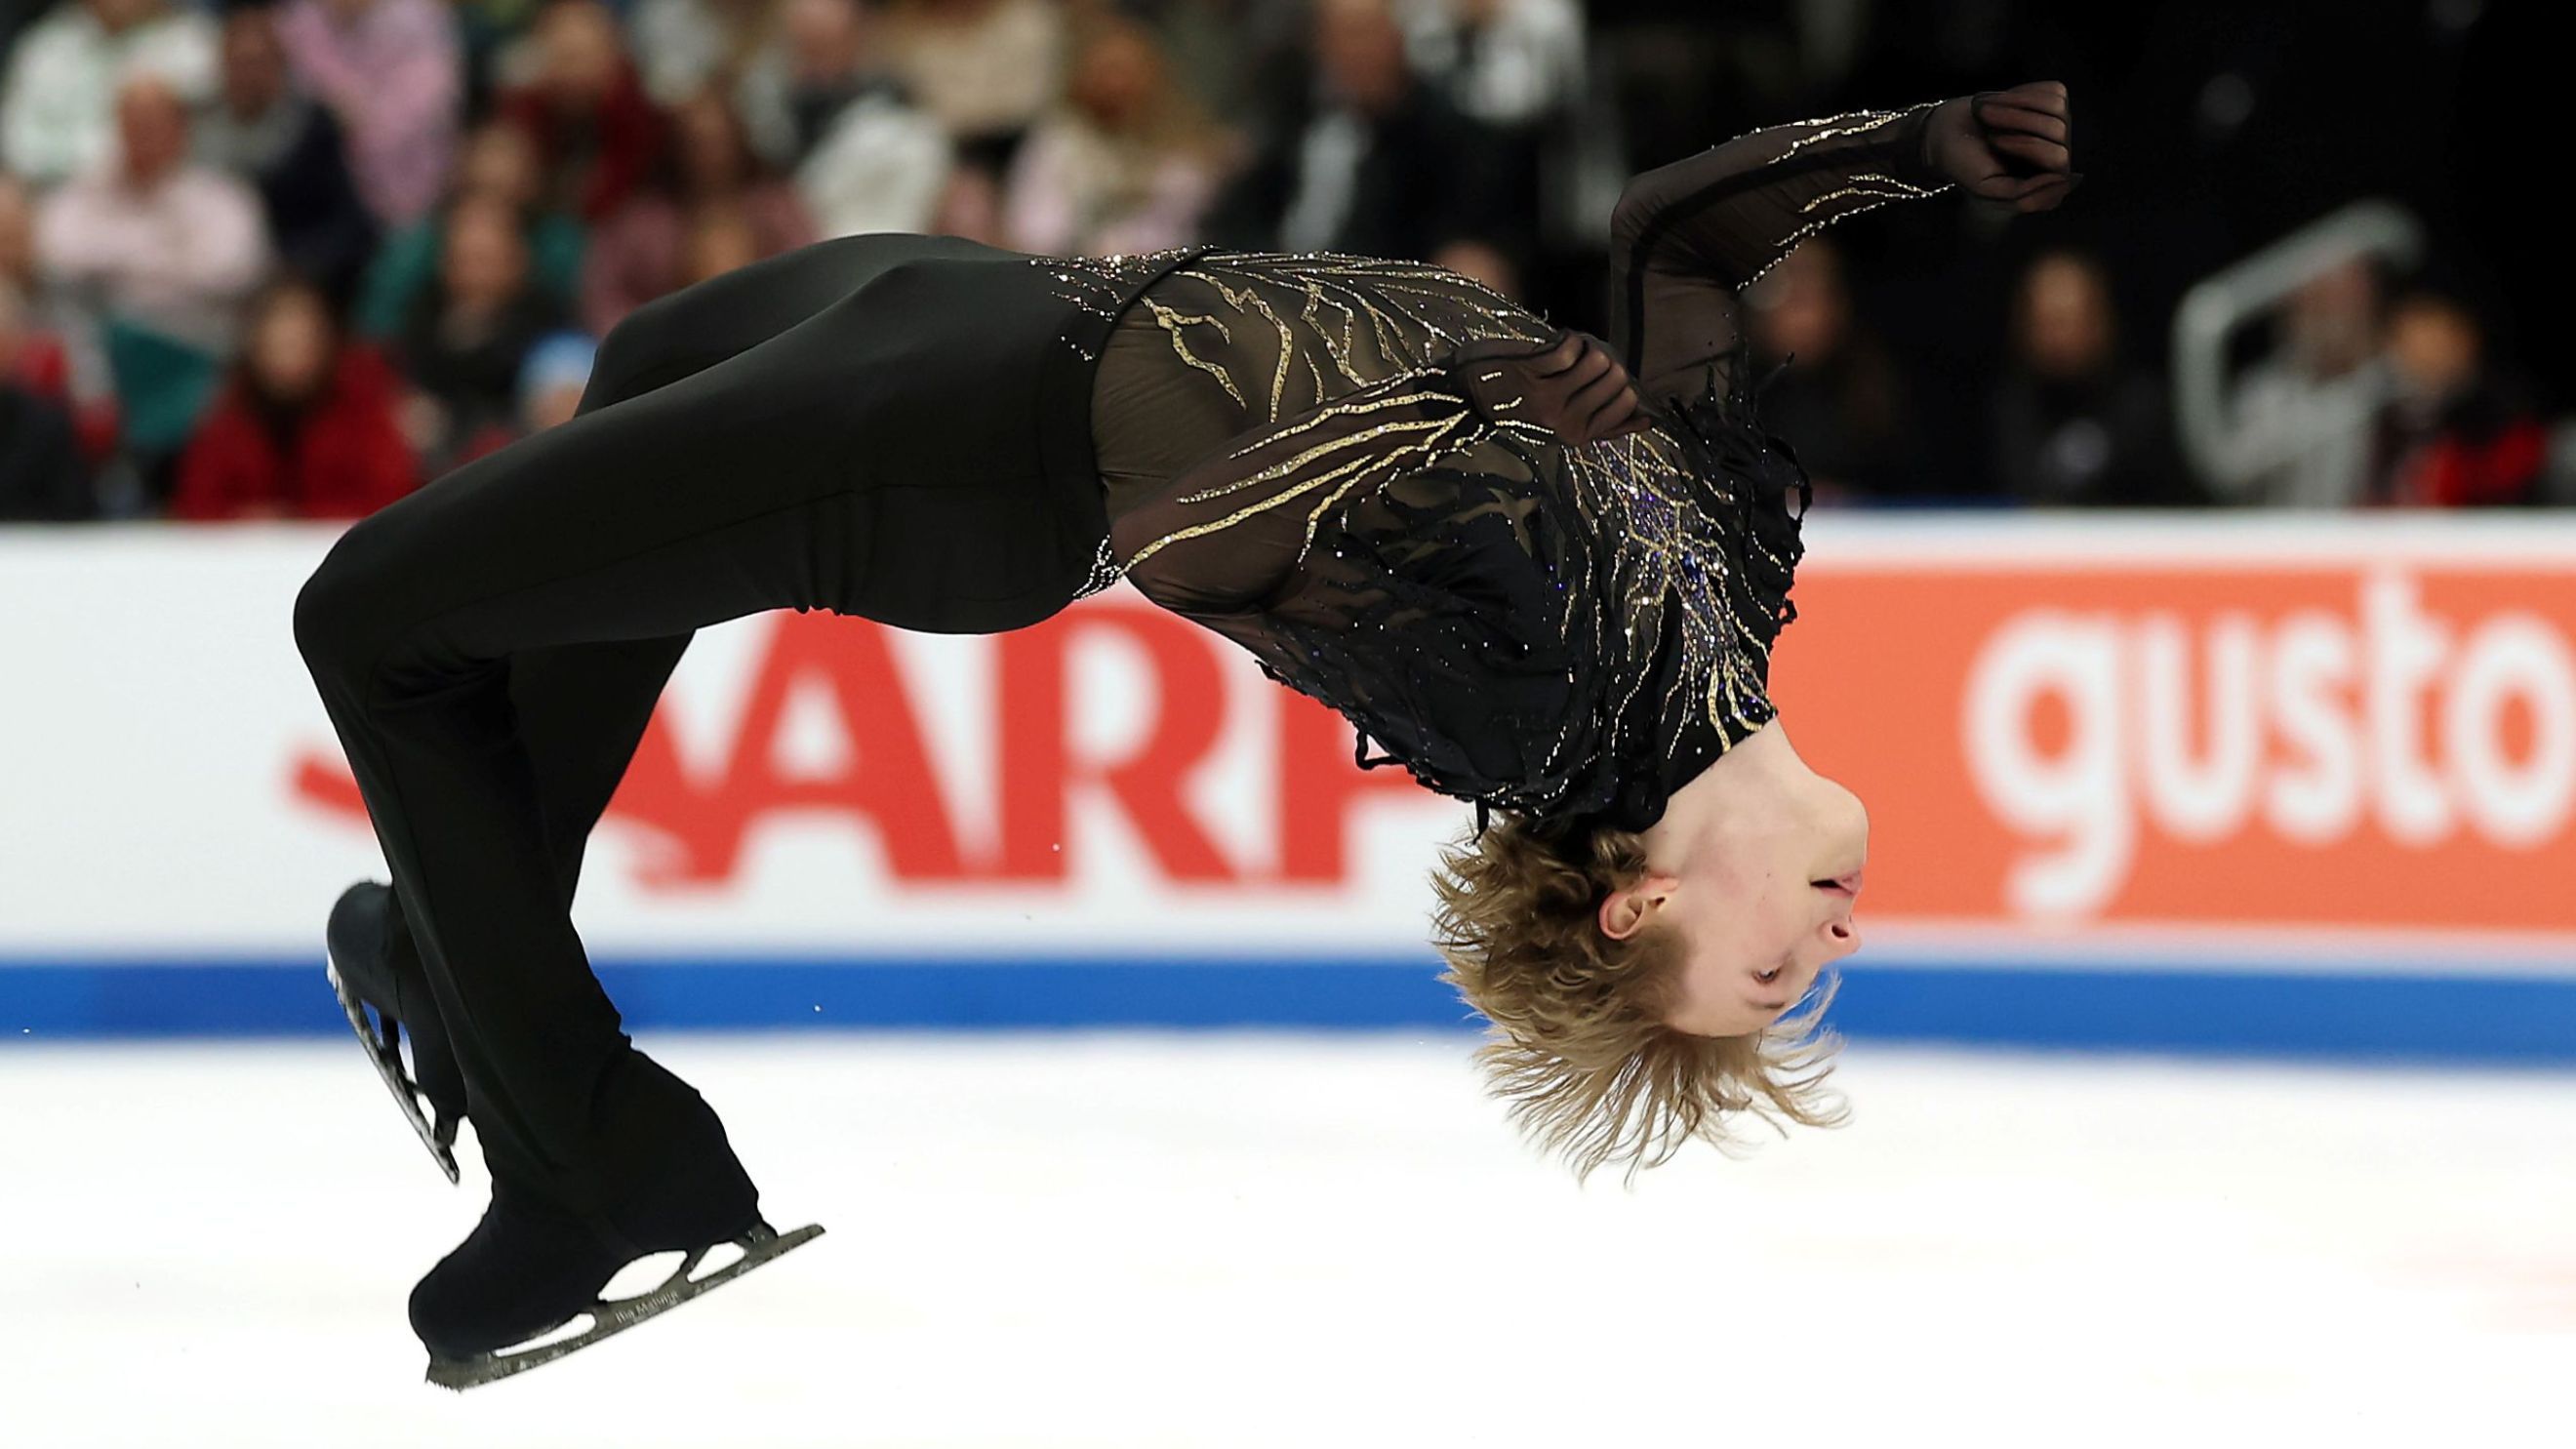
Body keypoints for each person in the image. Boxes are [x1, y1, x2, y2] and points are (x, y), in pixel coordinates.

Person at [294, 82, 2077, 1387]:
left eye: (1777, 980)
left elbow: (1194, 539)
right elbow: (1677, 239)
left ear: (1644, 907)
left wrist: (1453, 404)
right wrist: (1914, 153)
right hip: (1006, 308)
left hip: (970, 454)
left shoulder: (1541, 720)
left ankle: (592, 1168)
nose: (1837, 939)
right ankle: (462, 950)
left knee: (369, 619)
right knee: (653, 357)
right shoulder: (1736, 592)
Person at [170, 276, 414, 520]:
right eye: (281, 345)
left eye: (300, 343)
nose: (290, 359)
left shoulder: (363, 415)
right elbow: (195, 506)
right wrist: (243, 521)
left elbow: (392, 503)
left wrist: (300, 520)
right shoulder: (226, 420)